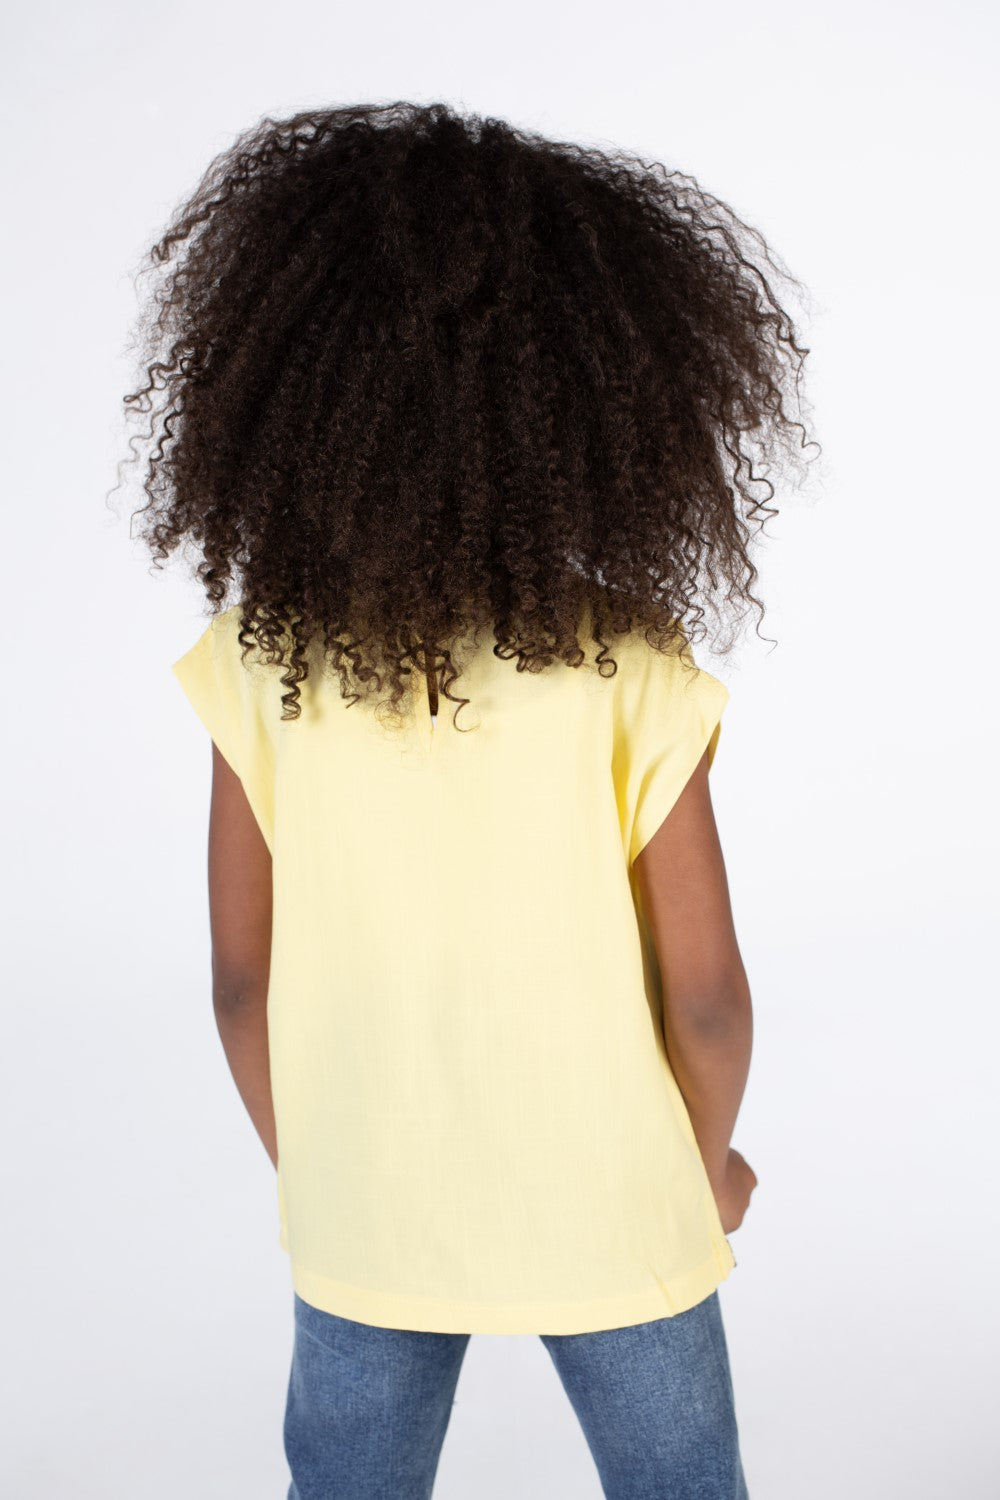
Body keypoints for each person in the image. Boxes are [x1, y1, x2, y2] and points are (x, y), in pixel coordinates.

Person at [126, 100, 816, 1499]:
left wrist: (324, 1180)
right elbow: (707, 1000)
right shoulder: (627, 663)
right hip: (617, 1202)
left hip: (365, 1206)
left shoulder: (261, 662)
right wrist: (698, 1174)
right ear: (595, 404)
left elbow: (243, 985)